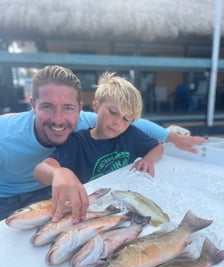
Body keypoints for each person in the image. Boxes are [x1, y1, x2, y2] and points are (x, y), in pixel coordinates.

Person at [0, 65, 207, 222]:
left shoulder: (91, 121)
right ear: (33, 105)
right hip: (9, 197)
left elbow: (135, 122)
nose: (59, 119)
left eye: (68, 108)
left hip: (55, 190)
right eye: (47, 106)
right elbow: (43, 168)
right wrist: (57, 172)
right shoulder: (5, 134)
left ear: (80, 108)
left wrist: (171, 137)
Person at [34, 72, 164, 223]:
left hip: (122, 207)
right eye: (113, 112)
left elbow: (158, 147)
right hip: (88, 209)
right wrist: (57, 172)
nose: (118, 122)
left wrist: (148, 159)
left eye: (126, 118)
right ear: (96, 105)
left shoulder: (131, 134)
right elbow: (41, 170)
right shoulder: (77, 142)